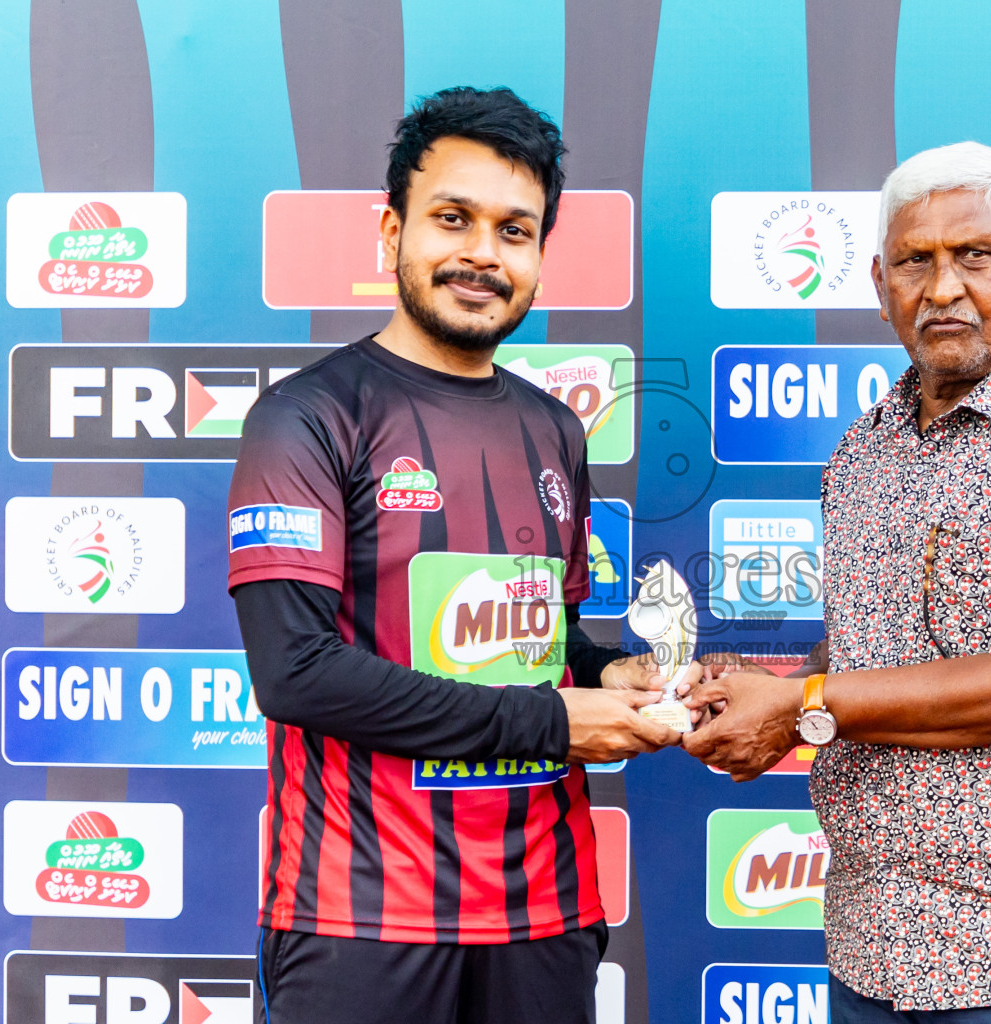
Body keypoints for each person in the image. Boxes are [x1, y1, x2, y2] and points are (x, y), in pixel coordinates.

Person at [683, 141, 991, 1022]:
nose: (942, 288)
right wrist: (758, 694)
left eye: (975, 256)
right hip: (876, 954)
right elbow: (873, 654)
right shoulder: (863, 449)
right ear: (880, 287)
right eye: (916, 261)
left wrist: (799, 705)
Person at [227, 86, 685, 1024]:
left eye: (515, 231)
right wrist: (560, 722)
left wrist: (624, 673)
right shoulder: (306, 418)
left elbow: (547, 643)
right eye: (452, 219)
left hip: (545, 916)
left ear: (539, 259)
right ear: (390, 231)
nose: (483, 252)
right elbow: (297, 673)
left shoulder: (555, 428)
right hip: (360, 921)